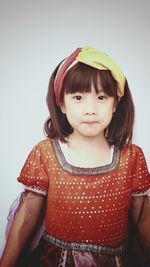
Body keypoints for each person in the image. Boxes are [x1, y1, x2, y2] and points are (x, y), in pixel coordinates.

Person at [0, 46, 150, 267]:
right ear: (61, 103)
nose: (90, 109)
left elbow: (143, 218)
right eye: (78, 97)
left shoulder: (132, 157)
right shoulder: (46, 152)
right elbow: (27, 215)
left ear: (116, 103)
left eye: (101, 97)